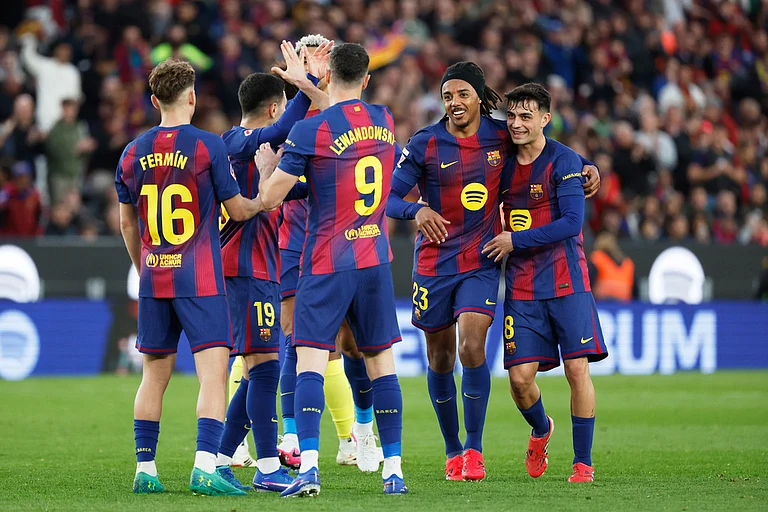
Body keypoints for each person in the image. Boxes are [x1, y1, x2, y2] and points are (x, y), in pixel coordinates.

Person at [386, 62, 600, 481]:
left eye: (463, 94)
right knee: (440, 357)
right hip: (433, 264)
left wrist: (589, 166)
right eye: (447, 96)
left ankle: (474, 450)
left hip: (481, 261)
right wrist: (416, 210)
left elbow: (548, 147)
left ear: (479, 98)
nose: (454, 102)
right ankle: (452, 450)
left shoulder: (500, 134)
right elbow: (390, 199)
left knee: (471, 347)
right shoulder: (425, 143)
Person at [258, 42, 408, 497]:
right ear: (367, 79)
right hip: (375, 260)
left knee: (309, 361)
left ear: (328, 77)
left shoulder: (310, 131)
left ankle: (308, 468)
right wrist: (311, 86)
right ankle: (393, 471)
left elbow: (270, 199)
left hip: (326, 261)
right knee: (382, 365)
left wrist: (266, 170)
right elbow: (343, 116)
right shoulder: (384, 119)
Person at [116, 58, 267, 496]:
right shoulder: (206, 146)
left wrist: (143, 267)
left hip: (154, 277)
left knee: (153, 375)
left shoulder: (131, 152)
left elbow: (127, 224)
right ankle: (204, 467)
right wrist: (265, 196)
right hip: (199, 278)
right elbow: (237, 210)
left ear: (154, 101)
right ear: (192, 98)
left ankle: (145, 470)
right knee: (213, 375)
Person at [213, 39, 330, 493]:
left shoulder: (240, 148)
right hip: (246, 268)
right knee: (263, 368)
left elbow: (284, 189)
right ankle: (266, 466)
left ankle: (221, 458)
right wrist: (309, 83)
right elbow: (280, 131)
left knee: (257, 369)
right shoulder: (236, 142)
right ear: (273, 107)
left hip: (255, 267)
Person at [482, 82, 608, 484]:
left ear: (545, 119)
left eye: (526, 116)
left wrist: (514, 240)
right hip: (522, 288)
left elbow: (572, 223)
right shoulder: (502, 159)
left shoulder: (563, 161)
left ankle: (583, 463)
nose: (516, 123)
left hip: (567, 281)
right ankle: (541, 429)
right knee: (520, 381)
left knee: (577, 370)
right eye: (512, 116)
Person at [276, 34, 382, 474]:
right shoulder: (287, 115)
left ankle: (362, 429)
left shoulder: (346, 115)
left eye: (319, 61)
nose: (313, 68)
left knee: (353, 344)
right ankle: (291, 435)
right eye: (305, 61)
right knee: (294, 336)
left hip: (343, 241)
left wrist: (310, 85)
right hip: (295, 239)